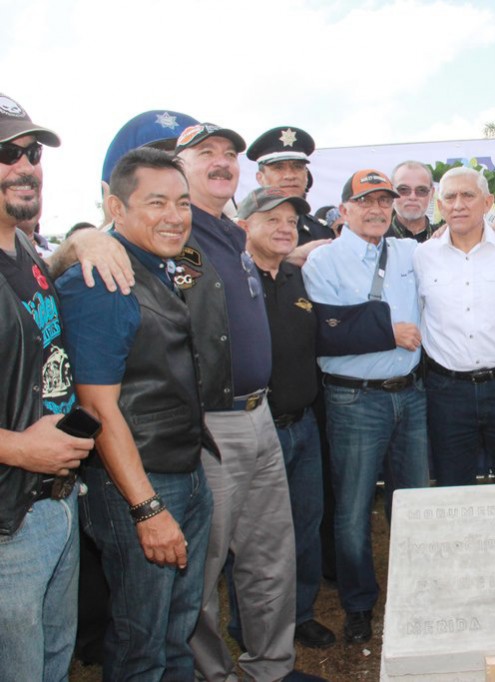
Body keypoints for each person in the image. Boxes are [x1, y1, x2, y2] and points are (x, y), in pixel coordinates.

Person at [57, 147, 213, 680]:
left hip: (183, 474)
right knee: (140, 643)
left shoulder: (157, 265)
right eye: (157, 202)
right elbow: (98, 406)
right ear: (115, 208)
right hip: (138, 487)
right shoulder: (101, 279)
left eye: (183, 202)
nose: (175, 215)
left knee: (176, 632)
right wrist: (147, 510)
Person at [174, 122, 318, 682]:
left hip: (259, 418)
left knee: (270, 556)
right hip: (210, 424)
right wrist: (85, 240)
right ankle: (212, 675)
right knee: (205, 569)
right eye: (205, 153)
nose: (221, 161)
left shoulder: (233, 238)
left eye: (228, 154)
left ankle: (271, 670)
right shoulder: (171, 228)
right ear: (178, 167)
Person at [303, 169, 429, 645]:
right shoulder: (324, 262)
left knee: (413, 505)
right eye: (365, 201)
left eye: (384, 201)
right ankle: (358, 605)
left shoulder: (411, 252)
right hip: (355, 400)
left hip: (412, 395)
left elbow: (460, 246)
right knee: (353, 511)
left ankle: (416, 595)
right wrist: (387, 330)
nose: (377, 209)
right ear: (345, 210)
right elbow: (329, 332)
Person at [0, 92, 93, 681]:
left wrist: (81, 242)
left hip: (54, 505)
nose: (25, 165)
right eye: (5, 153)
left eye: (31, 151)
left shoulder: (27, 250)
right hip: (6, 523)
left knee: (53, 665)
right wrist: (16, 448)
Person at [235, 186, 336, 649]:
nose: (284, 228)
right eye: (271, 219)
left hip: (304, 427)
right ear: (243, 227)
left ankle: (300, 612)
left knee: (307, 524)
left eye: (291, 222)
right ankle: (252, 628)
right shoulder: (231, 283)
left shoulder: (297, 277)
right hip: (257, 430)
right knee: (257, 541)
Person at [415, 166, 495, 487]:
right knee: (454, 489)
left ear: (488, 202)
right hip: (446, 393)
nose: (458, 205)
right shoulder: (421, 257)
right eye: (450, 197)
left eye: (468, 195)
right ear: (439, 207)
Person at [247, 125, 333, 255]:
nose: (290, 175)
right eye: (279, 168)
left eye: (297, 167)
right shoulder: (242, 229)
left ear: (306, 176)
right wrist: (288, 258)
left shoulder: (322, 232)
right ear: (260, 178)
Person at [388, 160, 439, 241]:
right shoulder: (375, 239)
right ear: (391, 191)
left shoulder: (446, 238)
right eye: (403, 189)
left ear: (432, 193)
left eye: (421, 190)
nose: (413, 197)